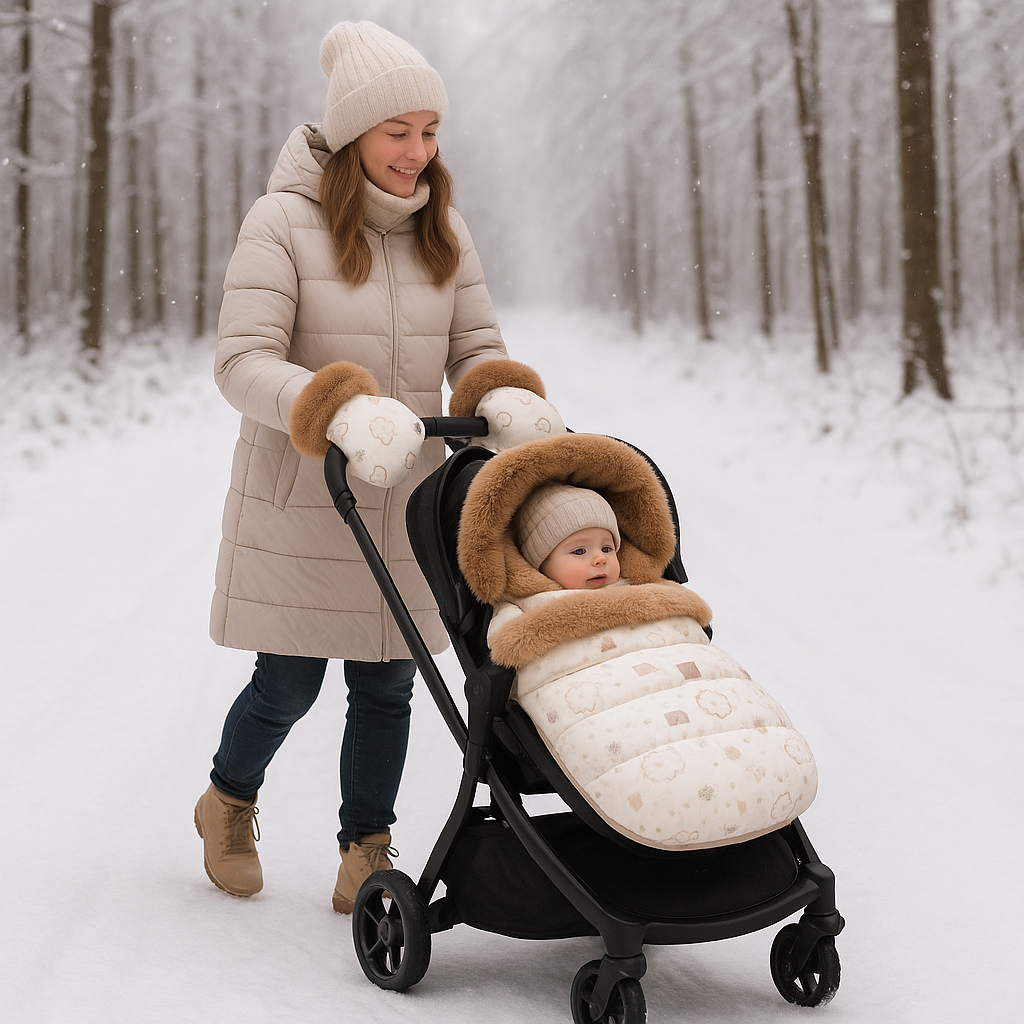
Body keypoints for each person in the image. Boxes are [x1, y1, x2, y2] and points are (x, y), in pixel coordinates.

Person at [194, 19, 561, 912]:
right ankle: (229, 801)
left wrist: (497, 391)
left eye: (430, 131)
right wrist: (338, 406)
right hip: (304, 494)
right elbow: (241, 360)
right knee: (288, 681)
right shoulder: (282, 223)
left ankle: (366, 847)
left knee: (390, 680)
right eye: (398, 131)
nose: (418, 152)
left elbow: (477, 342)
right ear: (352, 132)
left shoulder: (444, 228)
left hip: (404, 495)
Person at [513, 483, 622, 591]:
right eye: (579, 551)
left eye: (606, 549)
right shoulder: (526, 605)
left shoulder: (630, 592)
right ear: (541, 565)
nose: (601, 558)